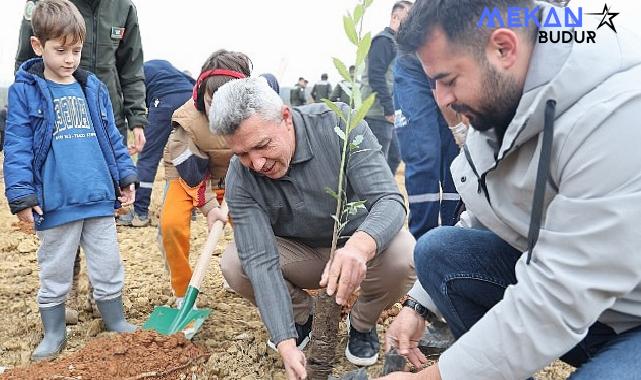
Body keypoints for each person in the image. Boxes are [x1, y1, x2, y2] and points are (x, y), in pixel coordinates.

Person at [380, 0, 641, 379]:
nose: (442, 100)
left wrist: (435, 377)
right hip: (590, 309)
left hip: (630, 315)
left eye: (448, 80)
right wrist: (418, 305)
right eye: (432, 82)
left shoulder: (617, 116)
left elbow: (557, 298)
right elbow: (489, 211)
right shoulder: (503, 99)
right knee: (438, 250)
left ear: (504, 48)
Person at [209, 77, 416, 379]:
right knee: (235, 262)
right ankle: (303, 316)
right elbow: (259, 259)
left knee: (404, 254)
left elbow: (389, 200)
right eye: (241, 154)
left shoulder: (339, 125)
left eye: (262, 145)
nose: (256, 163)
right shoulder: (241, 177)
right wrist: (284, 341)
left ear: (285, 117)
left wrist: (359, 246)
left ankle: (361, 322)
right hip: (301, 254)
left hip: (358, 245)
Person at [3, 0, 138, 362]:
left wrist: (125, 176)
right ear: (38, 46)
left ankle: (115, 319)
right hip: (57, 201)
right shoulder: (25, 91)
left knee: (108, 264)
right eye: (60, 50)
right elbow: (16, 145)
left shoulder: (92, 88)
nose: (69, 59)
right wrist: (21, 196)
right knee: (55, 268)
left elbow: (111, 136)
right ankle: (54, 331)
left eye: (76, 50)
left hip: (97, 196)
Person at [158, 49, 250, 306]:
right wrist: (210, 208)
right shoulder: (187, 124)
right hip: (188, 177)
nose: (220, 111)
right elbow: (192, 175)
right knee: (171, 224)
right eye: (212, 103)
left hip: (232, 176)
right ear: (201, 95)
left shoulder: (253, 118)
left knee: (250, 225)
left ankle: (237, 274)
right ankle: (182, 289)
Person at [15, 0, 147, 154]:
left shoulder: (124, 7)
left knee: (113, 175)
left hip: (109, 120)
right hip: (59, 122)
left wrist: (137, 119)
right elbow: (24, 63)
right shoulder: (43, 3)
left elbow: (132, 68)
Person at [118, 60, 195, 227]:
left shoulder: (132, 75)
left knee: (147, 158)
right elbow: (193, 82)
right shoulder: (163, 67)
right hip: (190, 99)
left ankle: (139, 213)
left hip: (165, 100)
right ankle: (190, 209)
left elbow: (133, 103)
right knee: (186, 154)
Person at [392, 54, 460, 239]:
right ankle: (422, 240)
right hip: (414, 64)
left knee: (456, 159)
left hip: (454, 64)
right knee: (424, 153)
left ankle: (455, 235)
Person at [360, 0, 412, 173]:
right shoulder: (383, 41)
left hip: (389, 114)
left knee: (395, 156)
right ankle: (374, 197)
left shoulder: (397, 44)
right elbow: (376, 77)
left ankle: (383, 195)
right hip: (377, 113)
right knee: (377, 164)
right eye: (408, 18)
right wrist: (389, 109)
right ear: (395, 17)